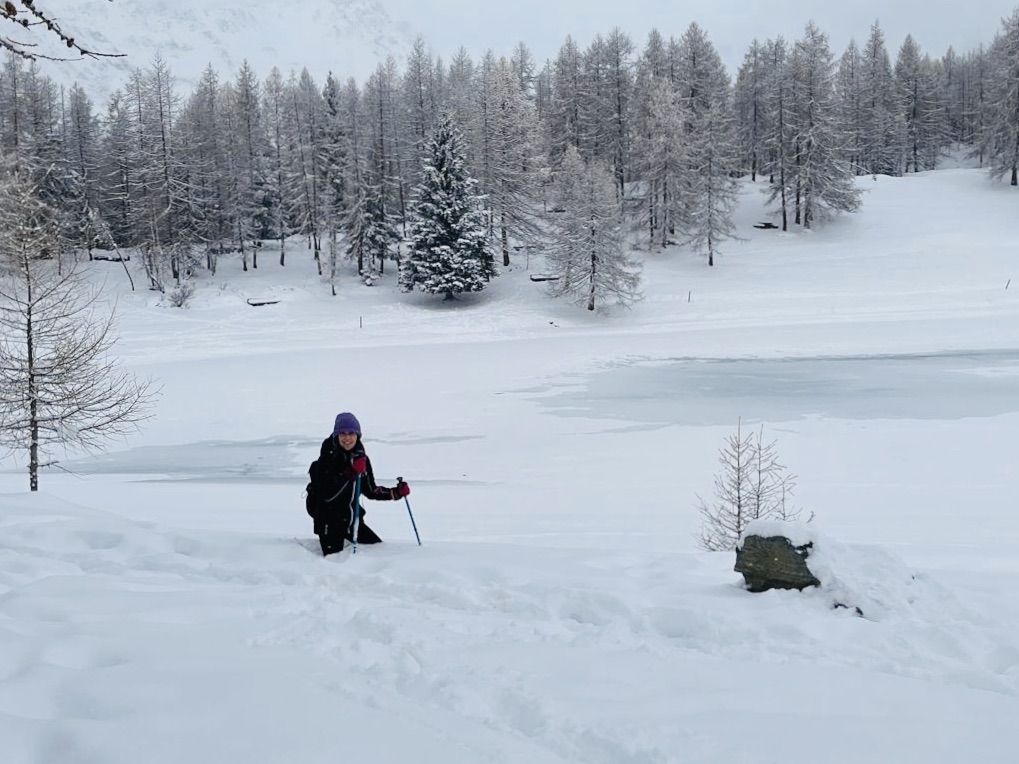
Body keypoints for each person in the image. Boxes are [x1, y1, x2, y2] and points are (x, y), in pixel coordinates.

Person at [309, 412, 410, 556]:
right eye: (342, 433)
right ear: (336, 435)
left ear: (358, 435)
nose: (347, 438)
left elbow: (370, 490)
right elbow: (328, 495)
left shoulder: (361, 458)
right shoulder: (326, 459)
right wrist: (350, 472)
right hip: (329, 521)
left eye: (351, 433)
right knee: (335, 560)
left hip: (351, 519)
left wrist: (396, 493)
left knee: (377, 548)